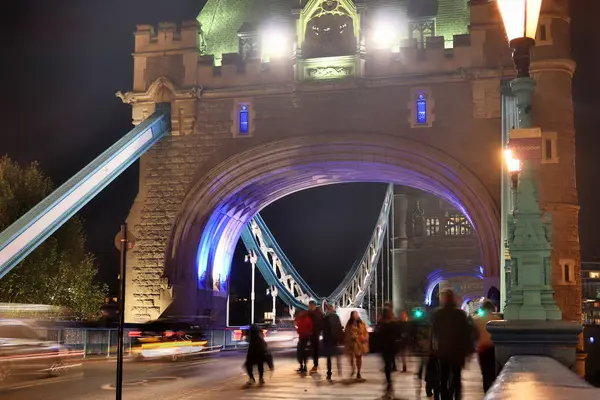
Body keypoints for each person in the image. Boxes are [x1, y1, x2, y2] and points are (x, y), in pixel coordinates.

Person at [431, 290, 473, 400]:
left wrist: (432, 349)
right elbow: (466, 333)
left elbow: (433, 333)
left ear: (444, 299)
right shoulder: (460, 314)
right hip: (457, 352)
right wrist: (468, 350)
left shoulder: (438, 314)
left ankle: (445, 397)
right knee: (457, 376)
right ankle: (455, 396)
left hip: (443, 350)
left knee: (443, 377)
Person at [474, 300, 500, 392]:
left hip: (482, 348)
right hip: (493, 348)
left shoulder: (476, 319)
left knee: (485, 372)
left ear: (482, 308)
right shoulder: (497, 319)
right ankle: (494, 391)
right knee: (493, 372)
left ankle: (486, 391)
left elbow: (474, 334)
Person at [377, 306, 399, 397]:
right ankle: (389, 385)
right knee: (388, 367)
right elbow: (396, 335)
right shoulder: (393, 324)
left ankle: (389, 385)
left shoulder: (381, 324)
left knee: (387, 367)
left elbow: (379, 336)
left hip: (385, 348)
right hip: (391, 348)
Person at [344, 310, 369, 379]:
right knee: (351, 357)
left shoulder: (361, 323)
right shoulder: (349, 324)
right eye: (355, 314)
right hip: (351, 344)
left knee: (359, 358)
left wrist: (365, 338)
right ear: (352, 316)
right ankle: (353, 368)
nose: (356, 316)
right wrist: (352, 337)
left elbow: (365, 332)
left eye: (357, 314)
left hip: (359, 344)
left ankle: (358, 372)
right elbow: (347, 333)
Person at [322, 304, 344, 381]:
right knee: (336, 356)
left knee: (329, 357)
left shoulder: (325, 318)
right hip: (334, 340)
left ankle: (329, 373)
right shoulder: (336, 317)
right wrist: (340, 339)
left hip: (329, 340)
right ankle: (338, 371)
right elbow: (339, 328)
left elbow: (323, 330)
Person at [307, 300, 323, 373]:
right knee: (313, 350)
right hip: (312, 333)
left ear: (313, 306)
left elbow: (317, 324)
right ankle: (314, 364)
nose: (309, 307)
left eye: (309, 306)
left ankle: (315, 365)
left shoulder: (315, 313)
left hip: (314, 334)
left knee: (315, 350)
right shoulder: (316, 313)